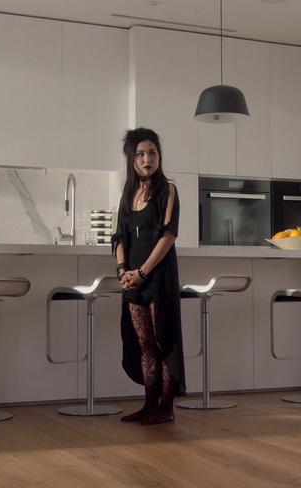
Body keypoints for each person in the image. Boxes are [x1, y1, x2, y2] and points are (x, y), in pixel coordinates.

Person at [111, 127, 186, 425]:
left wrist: (142, 272)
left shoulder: (167, 189)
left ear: (159, 156)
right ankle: (148, 404)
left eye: (152, 153)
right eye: (140, 154)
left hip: (158, 275)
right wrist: (123, 272)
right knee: (145, 345)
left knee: (163, 340)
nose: (147, 159)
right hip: (132, 277)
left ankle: (165, 408)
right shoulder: (128, 194)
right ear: (132, 159)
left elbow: (169, 235)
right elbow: (119, 237)